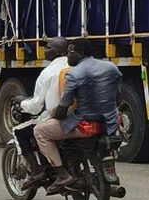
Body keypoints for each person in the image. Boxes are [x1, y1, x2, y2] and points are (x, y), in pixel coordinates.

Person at [31, 38, 121, 191]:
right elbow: (117, 95)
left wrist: (52, 117)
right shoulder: (111, 67)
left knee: (39, 131)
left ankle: (62, 175)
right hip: (110, 122)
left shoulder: (73, 74)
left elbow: (64, 106)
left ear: (80, 53)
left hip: (84, 122)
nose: (68, 56)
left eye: (70, 52)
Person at [14, 37, 68, 190]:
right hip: (76, 115)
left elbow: (37, 106)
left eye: (48, 48)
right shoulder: (74, 66)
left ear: (57, 52)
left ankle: (37, 171)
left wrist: (22, 103)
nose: (44, 50)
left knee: (19, 131)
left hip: (54, 117)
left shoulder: (48, 72)